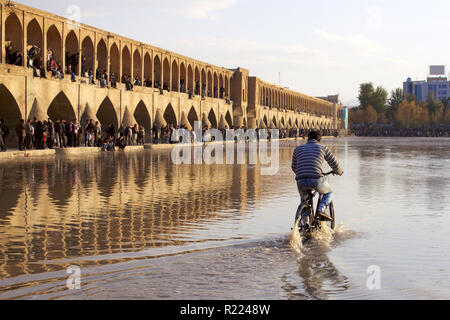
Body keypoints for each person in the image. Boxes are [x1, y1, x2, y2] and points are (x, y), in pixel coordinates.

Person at [291, 130, 344, 221]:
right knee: (329, 192)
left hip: (300, 180)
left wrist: (303, 174)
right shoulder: (323, 148)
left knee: (304, 201)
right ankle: (321, 210)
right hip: (316, 179)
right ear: (319, 139)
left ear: (308, 138)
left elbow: (293, 166)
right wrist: (339, 172)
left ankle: (305, 224)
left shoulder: (298, 149)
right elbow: (334, 163)